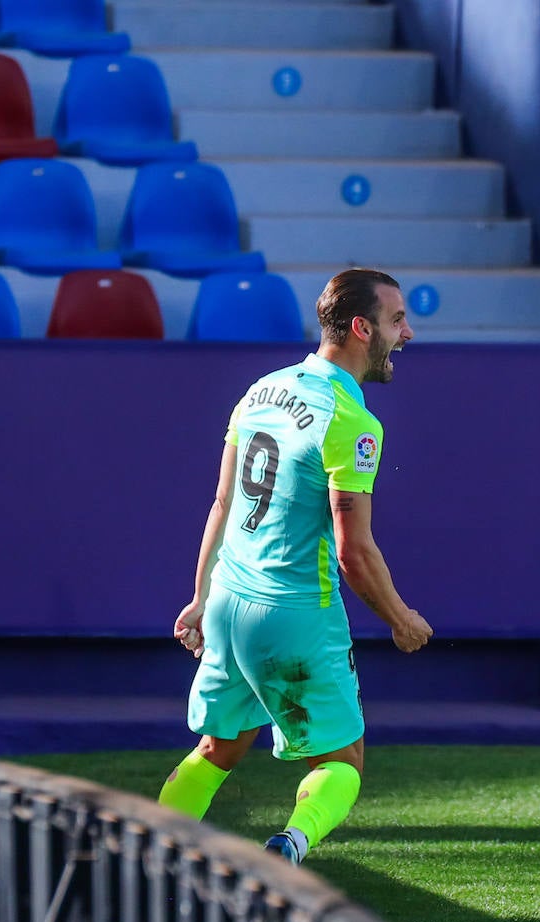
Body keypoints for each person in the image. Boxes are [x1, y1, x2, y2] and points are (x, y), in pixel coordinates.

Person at [158, 268, 434, 865]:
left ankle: (147, 857)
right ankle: (289, 847)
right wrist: (401, 618)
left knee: (218, 749)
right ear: (362, 329)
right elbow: (353, 552)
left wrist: (201, 596)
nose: (408, 333)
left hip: (230, 602)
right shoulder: (352, 422)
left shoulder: (259, 391)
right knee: (342, 762)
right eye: (396, 321)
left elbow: (225, 504)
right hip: (293, 614)